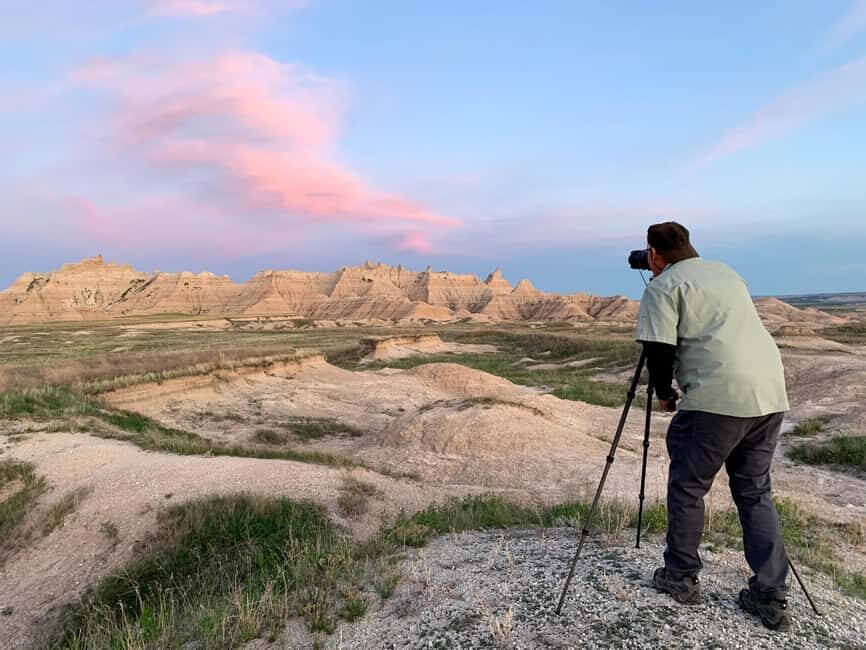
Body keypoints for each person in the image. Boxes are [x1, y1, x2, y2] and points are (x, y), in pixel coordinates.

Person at [635, 221, 792, 632]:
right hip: (769, 394)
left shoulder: (663, 288)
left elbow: (659, 351)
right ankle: (770, 595)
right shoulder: (726, 273)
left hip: (716, 400)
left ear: (654, 255)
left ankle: (680, 575)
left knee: (688, 486)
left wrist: (664, 394)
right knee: (754, 491)